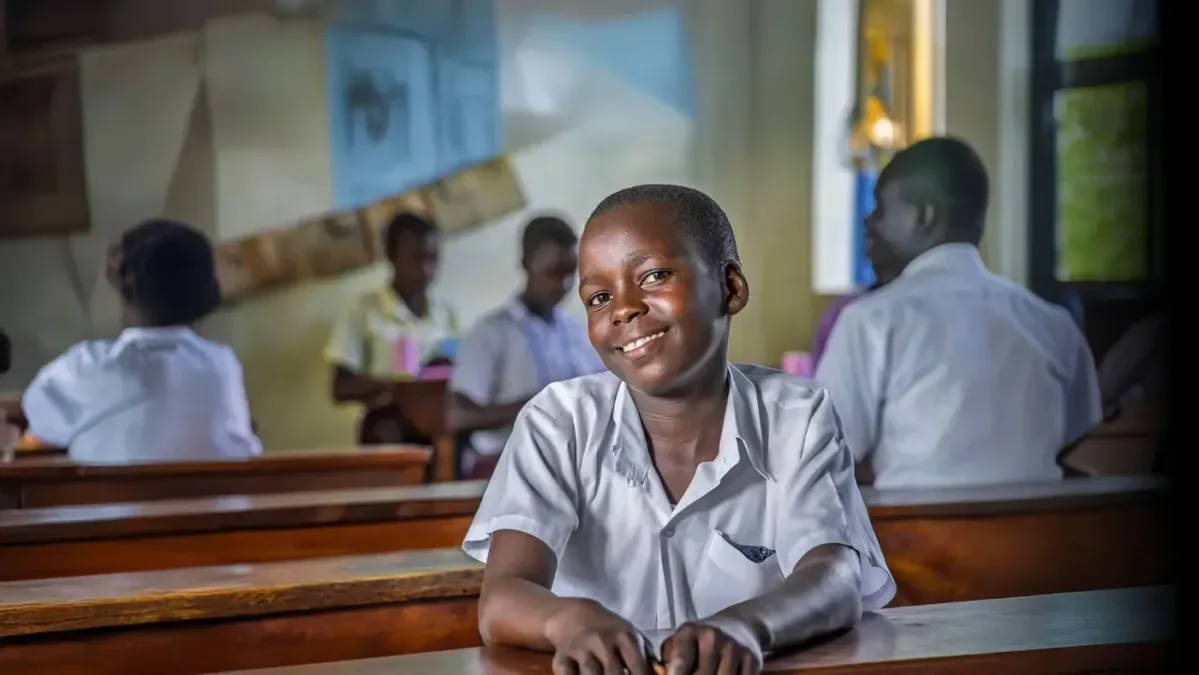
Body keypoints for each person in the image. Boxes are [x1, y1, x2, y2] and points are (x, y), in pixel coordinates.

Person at [463, 184, 894, 674]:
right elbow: (502, 598)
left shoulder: (796, 416)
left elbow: (834, 576)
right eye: (599, 297)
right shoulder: (558, 423)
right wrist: (569, 620)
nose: (622, 309)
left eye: (654, 276)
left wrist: (745, 625)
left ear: (730, 288)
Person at [814, 137, 1102, 489]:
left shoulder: (871, 321)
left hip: (914, 541)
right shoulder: (1052, 324)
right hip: (1039, 540)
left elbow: (822, 459)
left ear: (923, 215)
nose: (869, 224)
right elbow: (1074, 432)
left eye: (879, 209)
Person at [21, 219, 261, 462]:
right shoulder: (222, 365)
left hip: (112, 498)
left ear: (123, 283)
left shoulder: (87, 366)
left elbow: (39, 423)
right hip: (220, 498)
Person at [448, 215, 604, 479]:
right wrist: (538, 405)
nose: (564, 284)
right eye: (554, 272)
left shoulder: (576, 331)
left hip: (572, 464)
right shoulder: (492, 332)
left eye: (570, 272)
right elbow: (457, 416)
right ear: (526, 262)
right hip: (507, 467)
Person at [324, 212, 460, 444]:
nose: (426, 270)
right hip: (388, 424)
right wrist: (398, 387)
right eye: (416, 259)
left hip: (437, 424)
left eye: (433, 259)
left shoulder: (445, 314)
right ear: (391, 255)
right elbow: (341, 387)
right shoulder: (364, 310)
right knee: (387, 430)